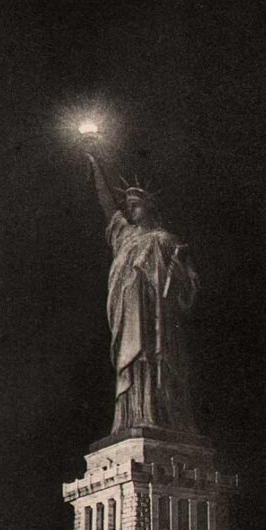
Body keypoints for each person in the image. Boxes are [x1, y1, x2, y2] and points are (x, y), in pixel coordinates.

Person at [86, 151, 199, 434]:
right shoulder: (125, 236)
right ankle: (133, 418)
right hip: (128, 318)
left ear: (149, 207)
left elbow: (185, 289)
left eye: (135, 205)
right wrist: (96, 163)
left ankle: (158, 417)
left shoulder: (165, 240)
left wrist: (181, 268)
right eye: (128, 205)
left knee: (154, 367)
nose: (130, 210)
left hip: (156, 324)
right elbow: (108, 205)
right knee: (132, 370)